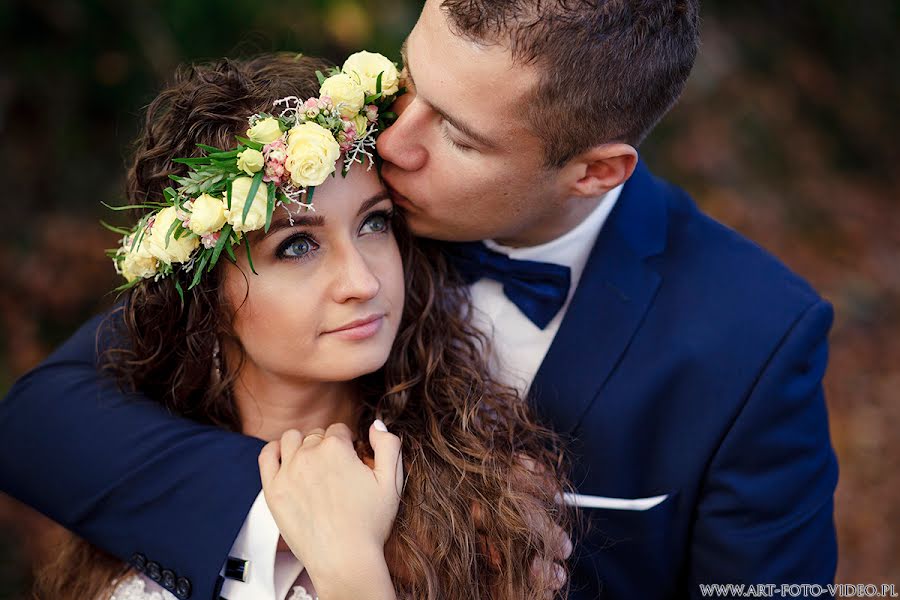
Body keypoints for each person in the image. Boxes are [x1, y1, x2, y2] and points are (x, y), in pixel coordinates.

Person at [1, 1, 839, 598]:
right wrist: (319, 519)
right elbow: (46, 419)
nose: (393, 142)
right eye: (409, 80)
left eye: (459, 134)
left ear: (595, 171)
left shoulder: (755, 337)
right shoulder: (340, 177)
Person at [24, 53, 571, 600]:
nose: (362, 281)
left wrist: (350, 570)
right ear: (207, 296)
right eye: (298, 245)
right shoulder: (125, 484)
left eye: (374, 223)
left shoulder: (484, 514)